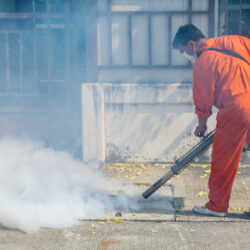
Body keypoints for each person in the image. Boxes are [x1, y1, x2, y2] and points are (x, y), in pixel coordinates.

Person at [172, 24, 250, 216]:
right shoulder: (236, 41)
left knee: (224, 159)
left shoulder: (203, 62)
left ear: (191, 44)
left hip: (236, 108)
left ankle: (217, 206)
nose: (186, 55)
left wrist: (201, 125)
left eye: (184, 51)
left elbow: (203, 99)